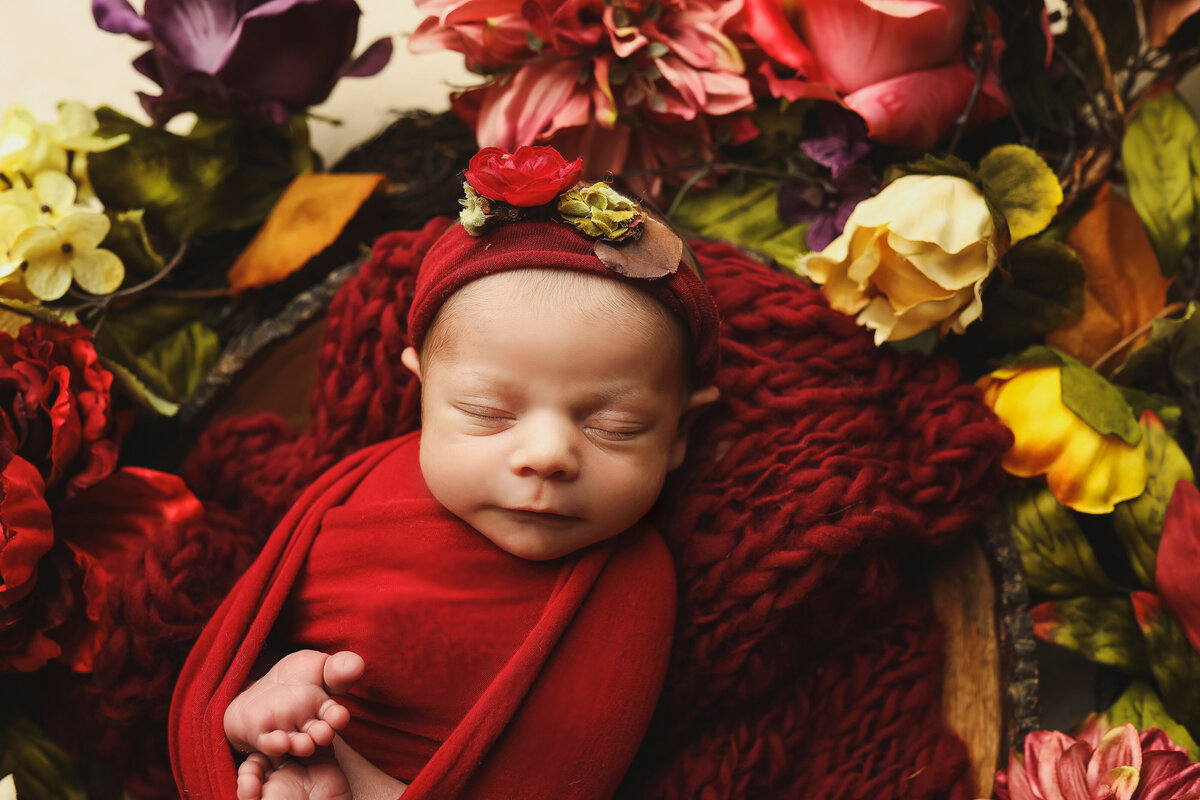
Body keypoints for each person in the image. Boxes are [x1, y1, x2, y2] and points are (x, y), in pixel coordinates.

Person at [169, 145, 721, 800]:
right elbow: (247, 630)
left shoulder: (631, 581)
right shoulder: (357, 484)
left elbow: (569, 767)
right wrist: (269, 693)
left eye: (615, 427)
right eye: (488, 414)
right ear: (423, 393)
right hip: (299, 755)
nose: (545, 456)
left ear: (679, 433)